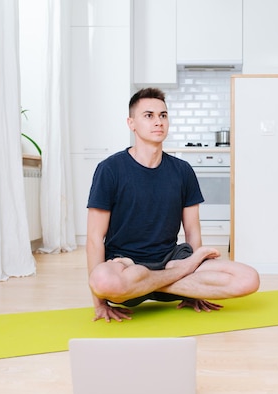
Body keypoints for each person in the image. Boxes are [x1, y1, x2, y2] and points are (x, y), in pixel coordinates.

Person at [86, 87, 260, 322]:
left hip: (170, 260)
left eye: (163, 115)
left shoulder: (182, 171)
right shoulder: (110, 169)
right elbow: (95, 238)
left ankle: (162, 281)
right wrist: (100, 302)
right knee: (103, 281)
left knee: (248, 279)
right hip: (127, 266)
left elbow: (192, 230)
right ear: (131, 123)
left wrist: (194, 283)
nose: (158, 122)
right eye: (149, 115)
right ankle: (174, 277)